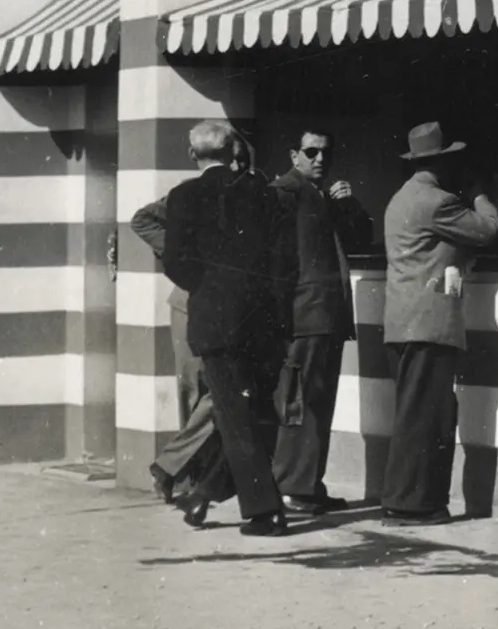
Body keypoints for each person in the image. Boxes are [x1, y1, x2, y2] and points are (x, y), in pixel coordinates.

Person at [161, 120, 294, 537]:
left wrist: (208, 287)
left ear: (192, 153)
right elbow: (283, 258)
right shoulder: (261, 192)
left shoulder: (184, 196)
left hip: (215, 321)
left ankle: (264, 512)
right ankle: (203, 491)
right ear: (232, 150)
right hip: (263, 319)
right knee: (253, 412)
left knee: (235, 416)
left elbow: (176, 262)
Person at [381, 122, 498, 526]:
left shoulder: (401, 198)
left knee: (414, 415)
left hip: (404, 320)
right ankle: (413, 504)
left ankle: (406, 500)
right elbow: (489, 230)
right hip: (429, 322)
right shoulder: (438, 202)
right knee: (428, 417)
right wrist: (480, 194)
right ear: (442, 160)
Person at [137, 132, 262, 514]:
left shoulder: (251, 192)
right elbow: (142, 220)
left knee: (222, 394)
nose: (238, 167)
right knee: (199, 391)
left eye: (244, 161)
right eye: (234, 159)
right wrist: (186, 256)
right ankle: (184, 475)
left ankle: (172, 467)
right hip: (191, 303)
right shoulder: (190, 194)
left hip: (226, 309)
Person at [270, 129, 372, 516]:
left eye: (325, 153)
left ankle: (308, 484)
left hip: (324, 316)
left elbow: (361, 238)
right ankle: (293, 485)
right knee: (300, 403)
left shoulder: (321, 196)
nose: (319, 159)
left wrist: (348, 206)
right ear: (294, 154)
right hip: (303, 317)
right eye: (310, 152)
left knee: (318, 403)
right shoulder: (285, 192)